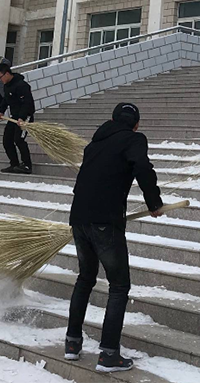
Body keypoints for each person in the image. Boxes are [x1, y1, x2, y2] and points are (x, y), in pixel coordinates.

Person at [65, 103, 164, 372]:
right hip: (104, 221)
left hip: (79, 218)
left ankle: (72, 343)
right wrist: (154, 202)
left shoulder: (94, 144)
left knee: (85, 278)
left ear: (111, 119)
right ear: (136, 125)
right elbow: (142, 167)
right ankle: (109, 354)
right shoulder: (134, 139)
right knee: (119, 286)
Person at [0, 63, 35, 174]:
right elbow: (6, 99)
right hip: (14, 117)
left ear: (7, 74)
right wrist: (1, 111)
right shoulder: (7, 86)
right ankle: (14, 164)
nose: (0, 80)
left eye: (0, 77)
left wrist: (22, 117)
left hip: (25, 117)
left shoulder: (22, 85)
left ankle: (27, 165)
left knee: (19, 139)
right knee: (7, 140)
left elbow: (27, 103)